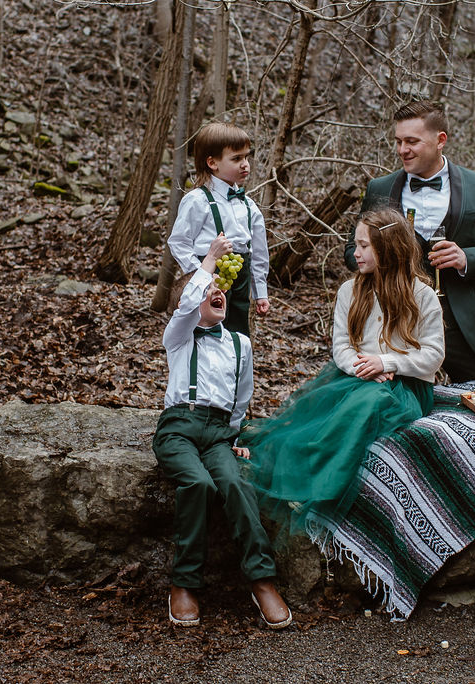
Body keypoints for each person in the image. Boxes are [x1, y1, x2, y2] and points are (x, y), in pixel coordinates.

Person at [244, 208, 445, 533]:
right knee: (319, 415)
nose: (356, 253)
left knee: (369, 405)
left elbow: (434, 356)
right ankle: (300, 466)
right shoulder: (349, 292)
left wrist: (388, 362)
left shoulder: (421, 296)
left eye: (364, 246)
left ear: (388, 248)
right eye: (356, 244)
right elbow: (341, 347)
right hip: (353, 378)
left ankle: (319, 488)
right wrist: (362, 366)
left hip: (406, 387)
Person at [152, 234, 291, 630]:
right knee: (197, 484)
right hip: (179, 427)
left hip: (217, 433)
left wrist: (235, 438)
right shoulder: (179, 336)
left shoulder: (240, 344)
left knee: (234, 484)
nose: (217, 293)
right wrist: (209, 260)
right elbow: (186, 299)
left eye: (220, 291)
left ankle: (262, 580)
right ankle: (184, 584)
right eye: (208, 290)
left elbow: (240, 396)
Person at [343, 100, 475, 382]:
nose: (402, 150)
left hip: (468, 326)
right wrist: (382, 257)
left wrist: (468, 259)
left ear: (441, 140)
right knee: (398, 415)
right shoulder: (379, 189)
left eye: (412, 141)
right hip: (396, 327)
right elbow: (351, 251)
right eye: (399, 141)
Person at [168, 122, 270, 338]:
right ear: (212, 163)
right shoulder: (197, 200)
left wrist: (260, 292)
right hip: (208, 276)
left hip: (240, 277)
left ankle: (234, 370)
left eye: (246, 157)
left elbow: (259, 254)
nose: (245, 165)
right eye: (236, 159)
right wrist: (200, 275)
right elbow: (179, 242)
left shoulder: (249, 206)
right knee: (205, 333)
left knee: (238, 335)